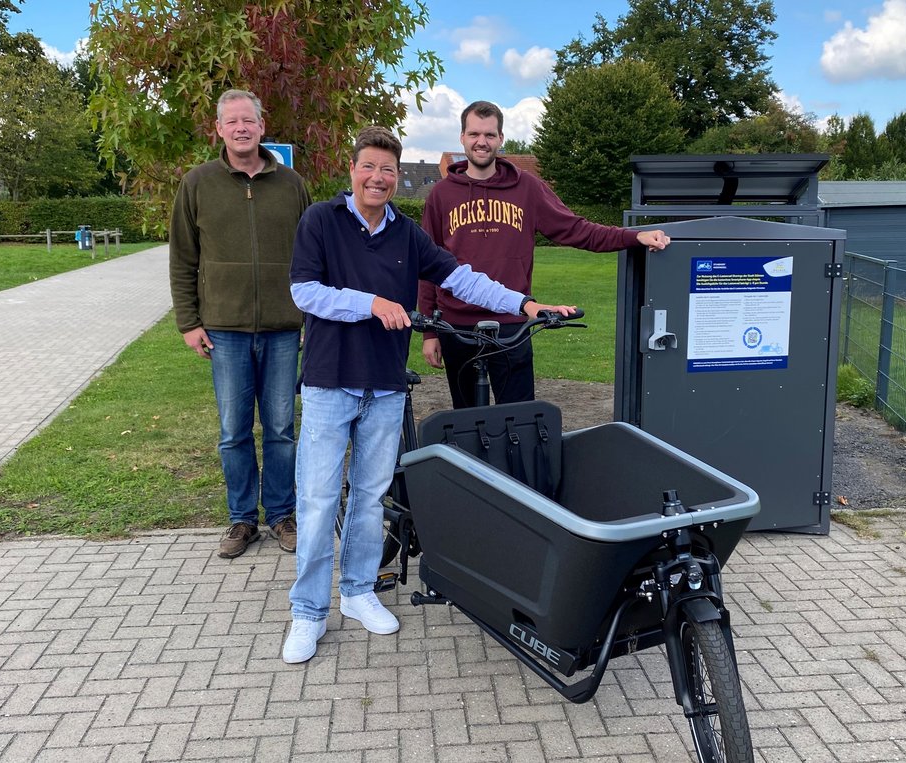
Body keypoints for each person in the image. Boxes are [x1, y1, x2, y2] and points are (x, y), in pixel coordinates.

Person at [282, 125, 576, 664]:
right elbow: (305, 291)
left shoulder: (408, 234)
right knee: (319, 500)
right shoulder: (321, 220)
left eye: (388, 170)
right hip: (329, 381)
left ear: (398, 176)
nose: (378, 177)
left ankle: (358, 592)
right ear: (353, 170)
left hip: (385, 384)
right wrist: (370, 303)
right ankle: (308, 611)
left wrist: (526, 305)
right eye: (369, 166)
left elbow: (463, 279)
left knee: (370, 497)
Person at [419, 100, 671, 408]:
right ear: (462, 137)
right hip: (457, 326)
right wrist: (430, 332)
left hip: (513, 322)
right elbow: (428, 266)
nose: (481, 141)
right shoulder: (441, 195)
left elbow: (577, 229)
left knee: (519, 417)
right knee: (466, 419)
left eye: (489, 134)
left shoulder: (527, 188)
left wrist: (634, 237)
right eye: (474, 134)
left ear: (500, 138)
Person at [168, 89, 310, 560]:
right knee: (233, 431)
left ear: (262, 126)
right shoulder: (197, 184)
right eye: (232, 122)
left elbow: (312, 257)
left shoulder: (291, 184)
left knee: (281, 428)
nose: (241, 128)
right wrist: (189, 322)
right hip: (223, 330)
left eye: (248, 120)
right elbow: (182, 258)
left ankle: (282, 515)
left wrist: (309, 317)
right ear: (219, 129)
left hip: (283, 328)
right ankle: (242, 519)